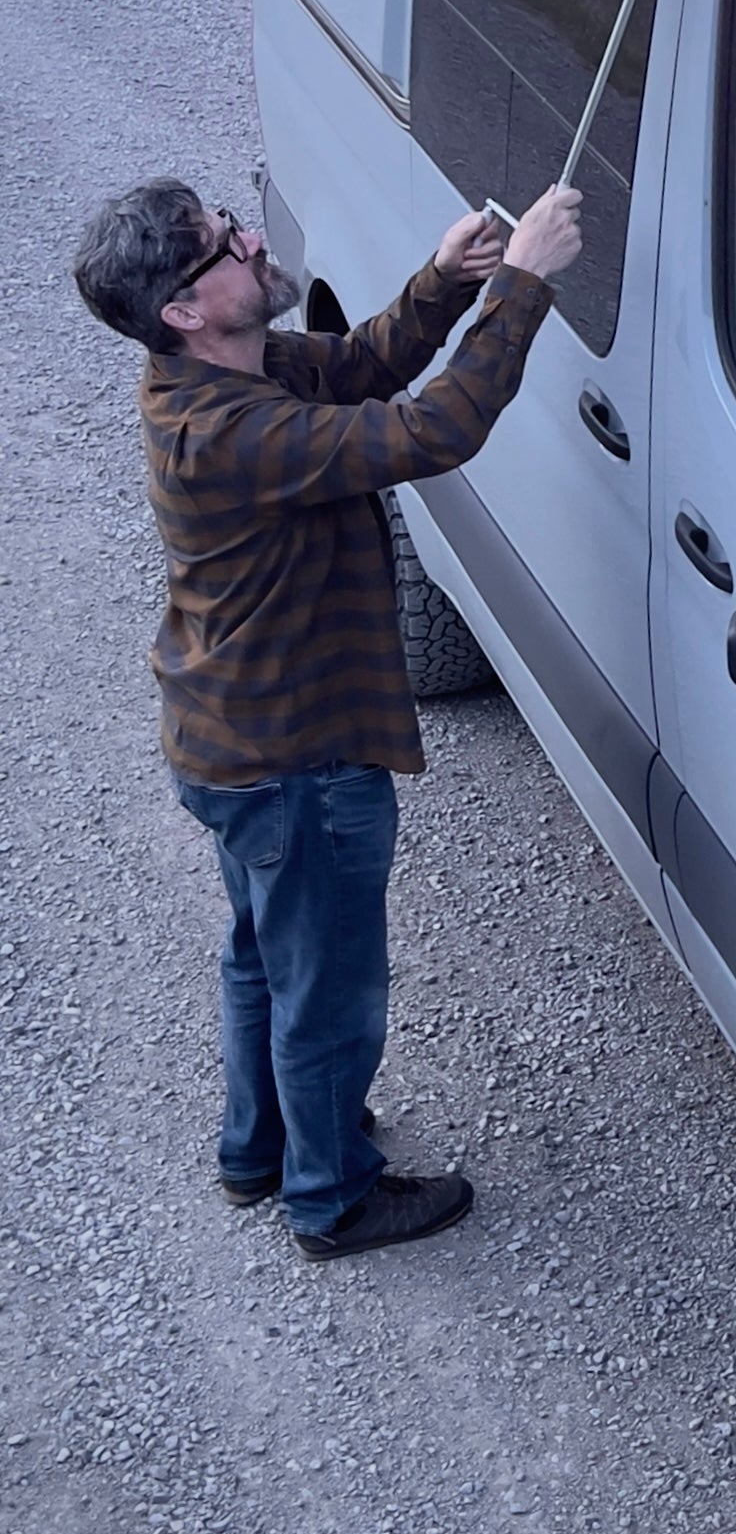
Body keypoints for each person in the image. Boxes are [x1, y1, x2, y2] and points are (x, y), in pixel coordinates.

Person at [70, 178, 583, 1258]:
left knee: (265, 955)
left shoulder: (232, 373)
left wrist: (447, 280)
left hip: (230, 742)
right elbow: (427, 430)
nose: (249, 237)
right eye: (222, 244)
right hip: (293, 762)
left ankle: (257, 1149)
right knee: (329, 988)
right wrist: (526, 285)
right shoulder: (232, 433)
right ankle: (332, 1197)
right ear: (182, 309)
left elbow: (360, 367)